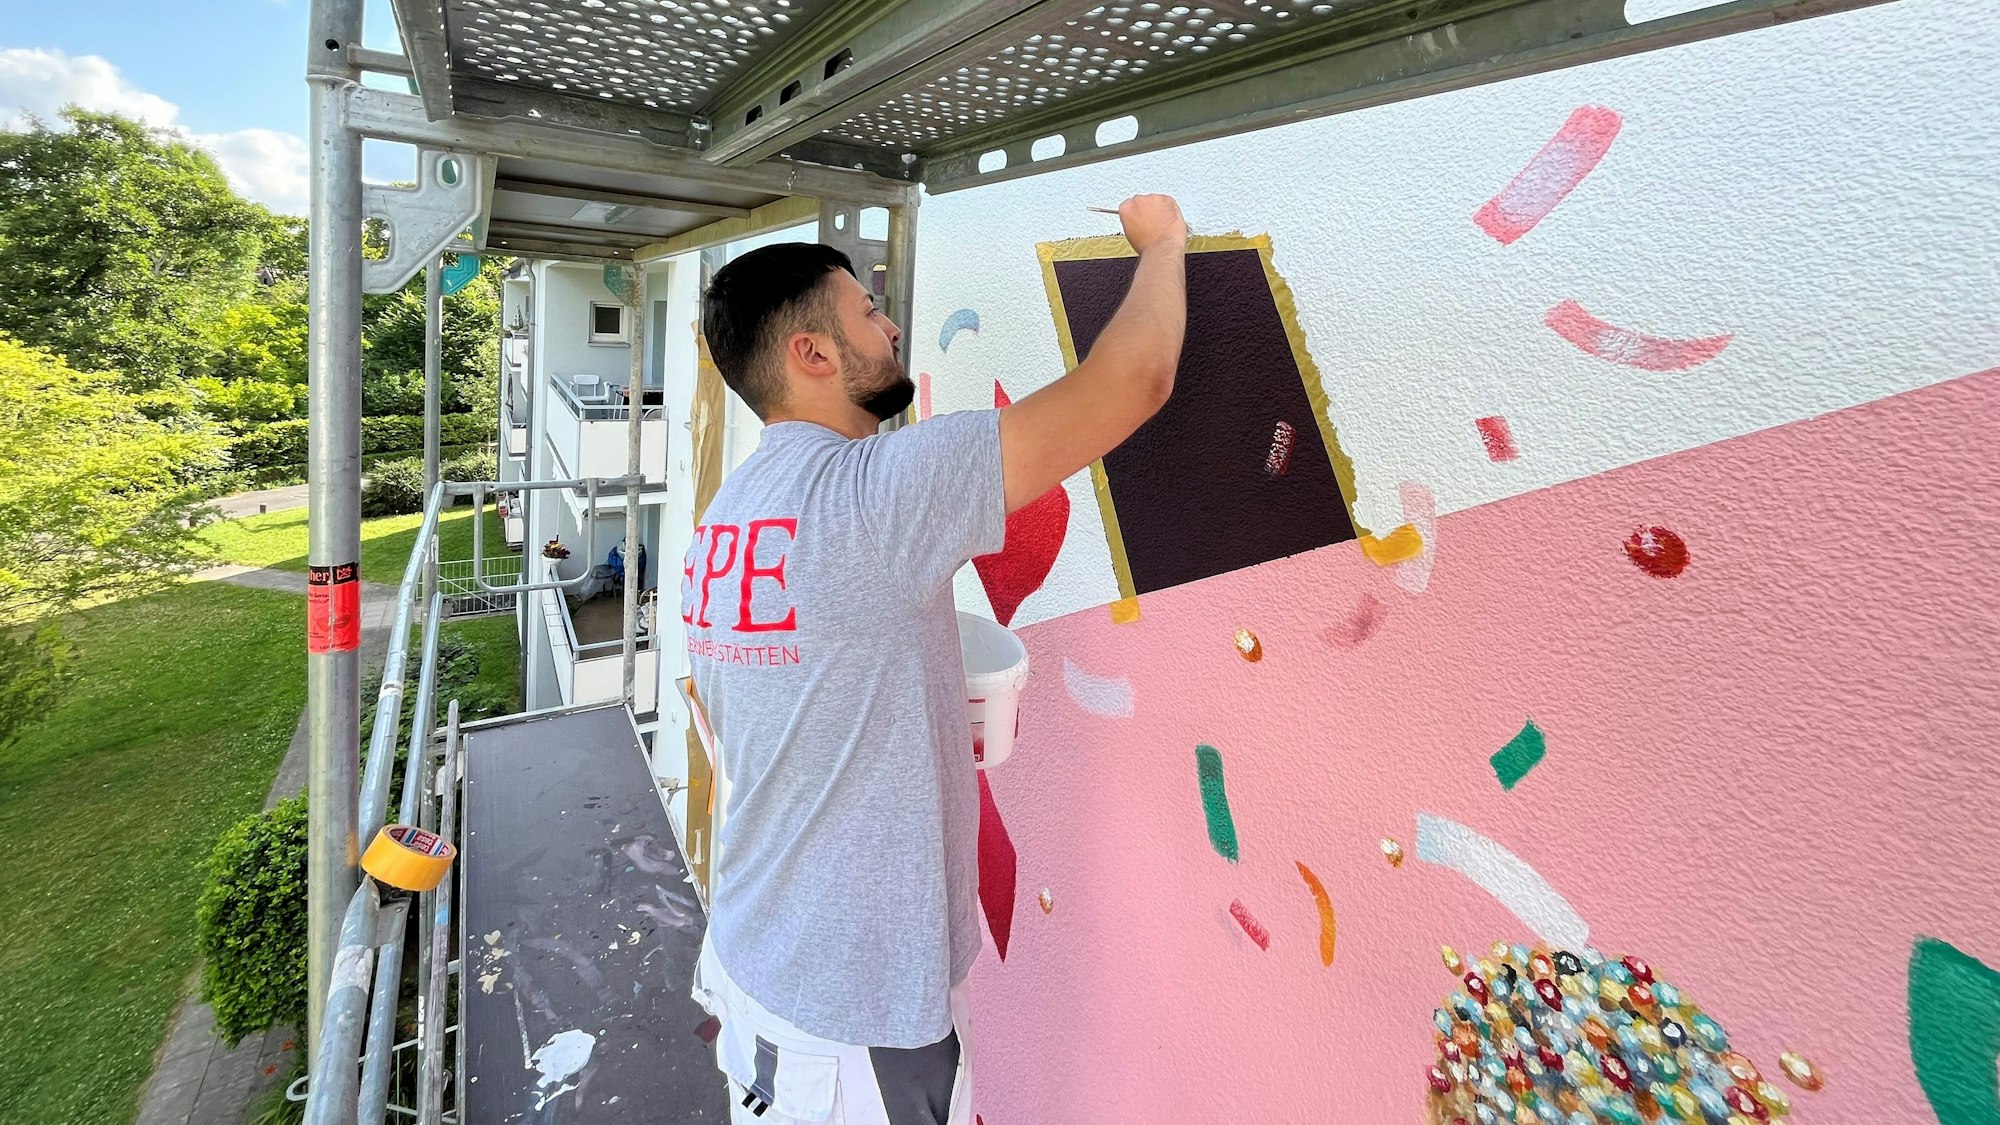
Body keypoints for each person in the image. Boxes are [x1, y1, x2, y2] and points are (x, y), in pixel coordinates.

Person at [682, 194, 1188, 1125]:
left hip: (760, 962)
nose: (892, 324)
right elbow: (1138, 377)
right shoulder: (874, 495)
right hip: (852, 1021)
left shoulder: (726, 519)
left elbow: (789, 698)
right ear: (814, 355)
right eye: (868, 311)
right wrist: (1162, 240)